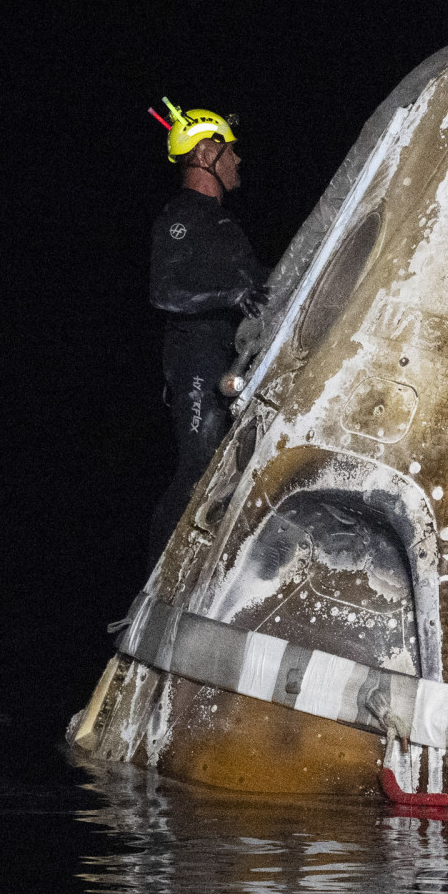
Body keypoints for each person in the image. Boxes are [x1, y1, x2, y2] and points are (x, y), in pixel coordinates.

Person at [148, 99, 267, 563]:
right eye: (230, 150)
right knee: (198, 467)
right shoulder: (183, 215)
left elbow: (259, 286)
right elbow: (164, 291)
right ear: (204, 155)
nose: (238, 159)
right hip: (195, 358)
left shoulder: (224, 224)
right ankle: (152, 586)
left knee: (229, 469)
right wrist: (231, 297)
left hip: (229, 361)